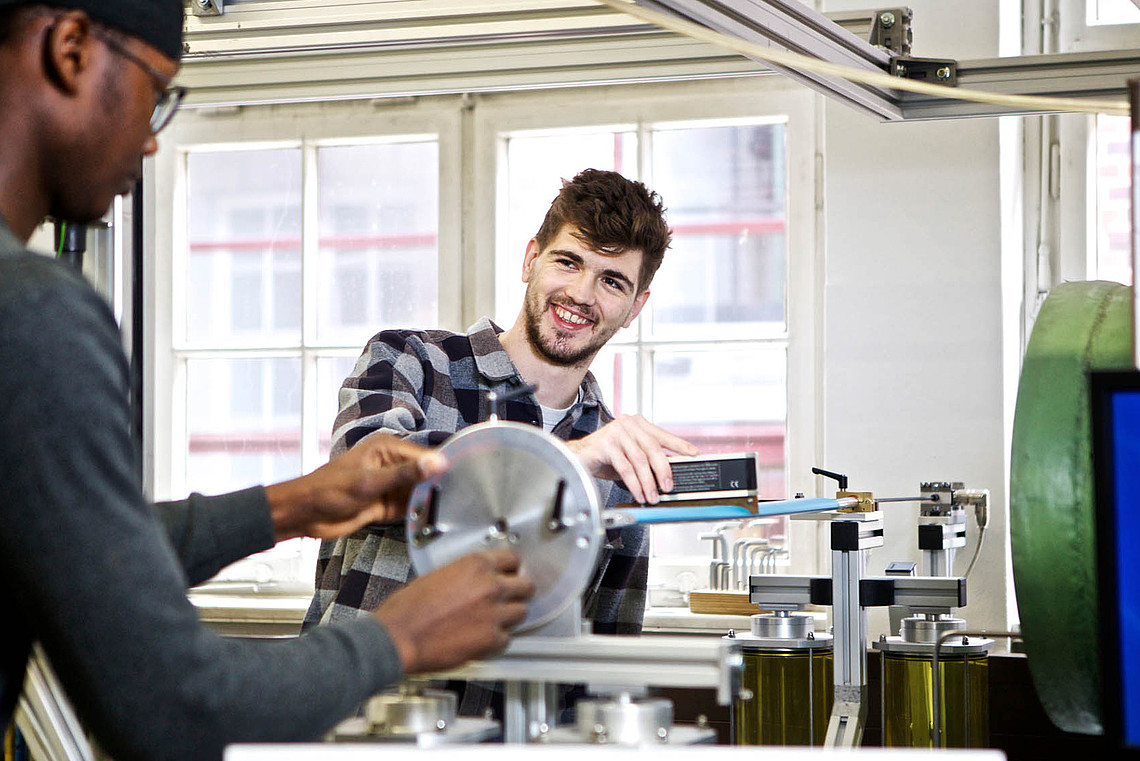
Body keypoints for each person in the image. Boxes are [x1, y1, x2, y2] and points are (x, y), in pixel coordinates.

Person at [0, 2, 534, 760]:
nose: (153, 139)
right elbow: (179, 707)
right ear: (73, 48)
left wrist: (293, 504)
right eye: (160, 92)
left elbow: (68, 550)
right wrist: (401, 634)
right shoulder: (33, 313)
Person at [305, 169, 700, 713]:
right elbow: (360, 479)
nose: (581, 293)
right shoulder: (411, 360)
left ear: (635, 307)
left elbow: (606, 665)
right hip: (360, 725)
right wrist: (564, 463)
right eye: (568, 261)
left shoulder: (617, 460)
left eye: (612, 281)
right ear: (530, 259)